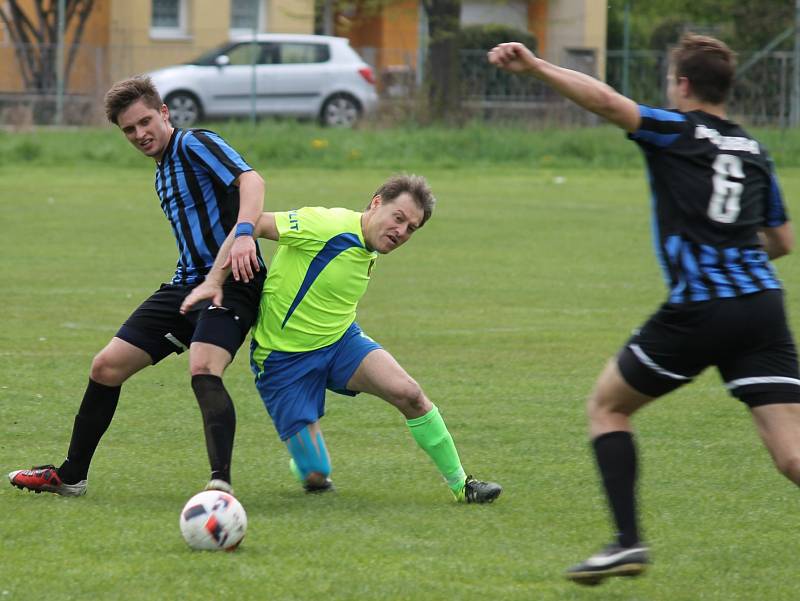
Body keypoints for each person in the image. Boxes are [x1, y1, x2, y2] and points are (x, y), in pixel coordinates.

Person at [489, 34, 800, 584]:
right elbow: (781, 240)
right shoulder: (753, 149)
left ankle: (626, 542)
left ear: (682, 85)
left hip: (702, 308)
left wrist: (537, 67)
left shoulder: (675, 131)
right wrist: (733, 248)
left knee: (608, 407)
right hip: (762, 307)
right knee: (792, 456)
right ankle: (623, 544)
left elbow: (607, 102)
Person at [8, 76, 266, 497]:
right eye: (129, 129)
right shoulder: (162, 173)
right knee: (105, 367)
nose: (140, 134)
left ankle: (220, 486)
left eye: (146, 121)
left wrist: (243, 234)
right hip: (187, 285)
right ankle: (71, 475)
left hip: (235, 281)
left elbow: (252, 181)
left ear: (164, 113)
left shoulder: (194, 143)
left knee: (203, 368)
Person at [180, 174, 502, 503]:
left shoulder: (370, 245)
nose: (401, 232)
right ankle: (306, 463)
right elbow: (253, 223)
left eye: (411, 228)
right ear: (376, 203)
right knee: (317, 476)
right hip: (282, 361)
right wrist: (213, 280)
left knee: (410, 394)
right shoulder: (325, 224)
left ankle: (463, 486)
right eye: (398, 218)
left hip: (341, 344)